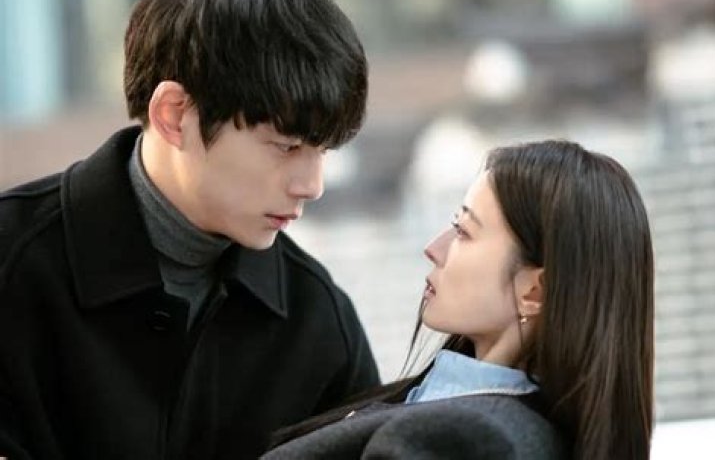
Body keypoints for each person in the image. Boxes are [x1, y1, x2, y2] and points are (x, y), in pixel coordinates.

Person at [0, 0, 380, 458]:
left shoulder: (319, 324)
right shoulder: (12, 265)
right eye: (287, 147)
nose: (312, 185)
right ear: (175, 115)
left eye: (323, 151)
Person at [262, 140, 655, 460]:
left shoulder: (468, 437)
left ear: (534, 291)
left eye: (464, 232)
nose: (434, 248)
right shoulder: (478, 416)